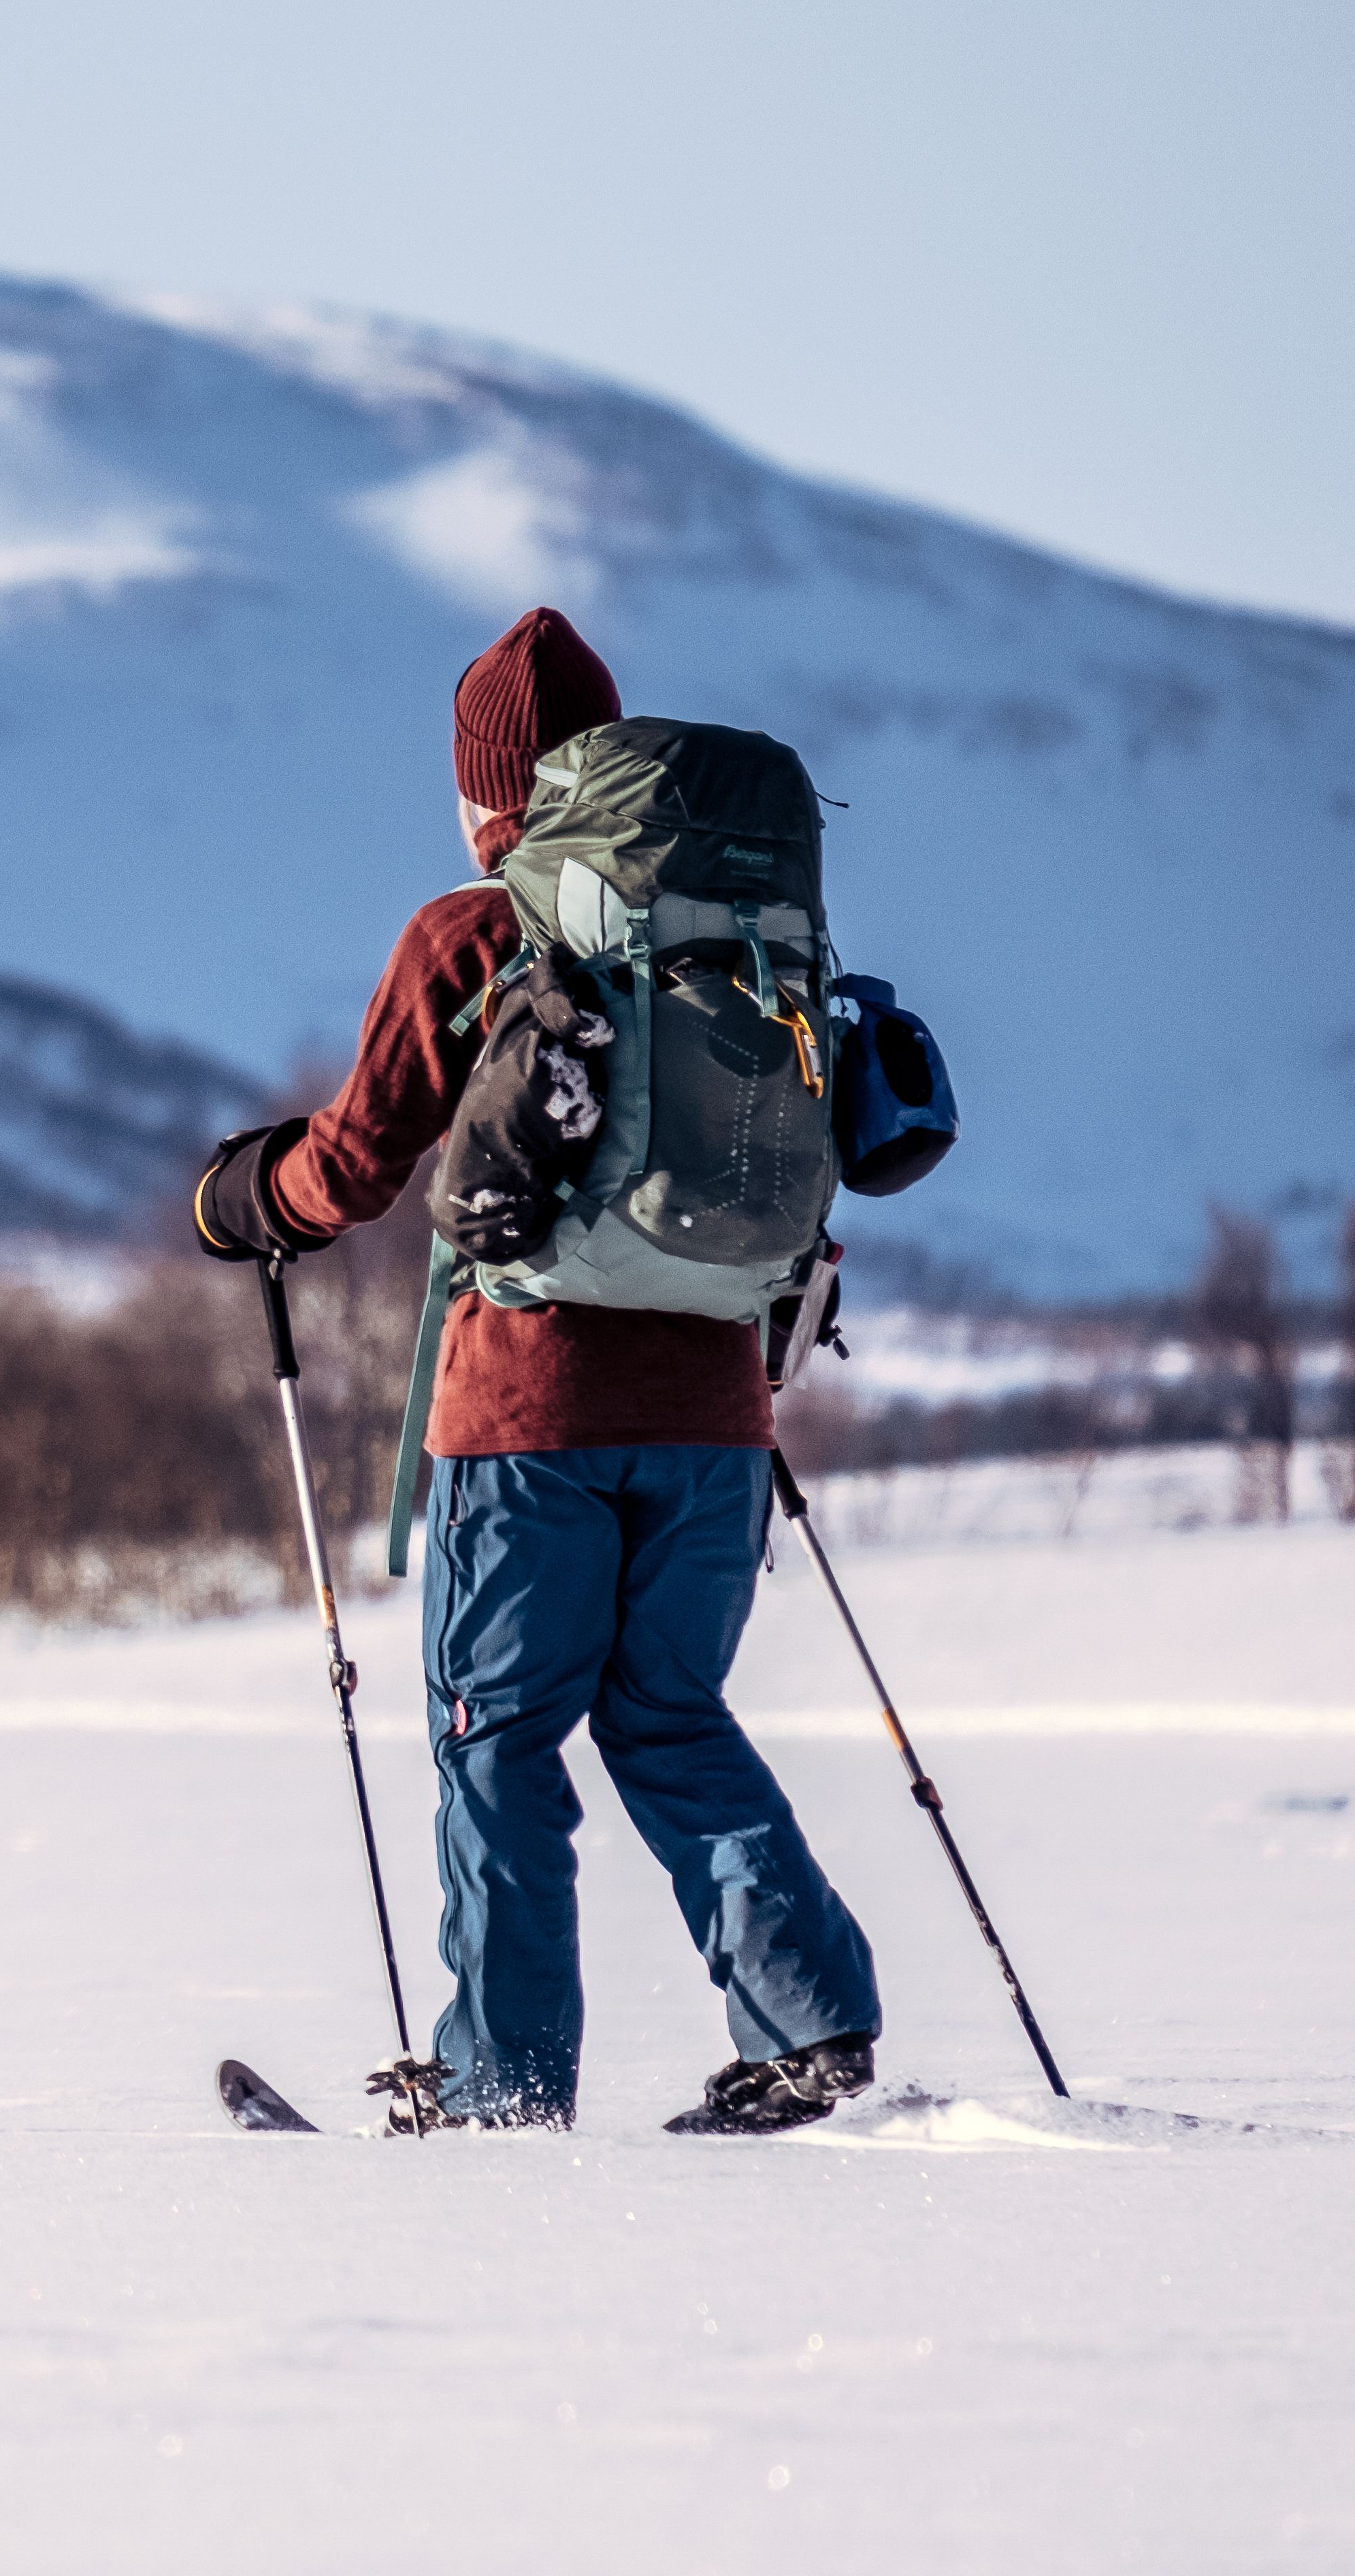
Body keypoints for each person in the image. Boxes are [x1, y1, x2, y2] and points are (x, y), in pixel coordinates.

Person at [186, 606, 882, 2136]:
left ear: (482, 790)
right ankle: (812, 2021)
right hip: (715, 1414)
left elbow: (355, 1167)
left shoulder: (479, 931)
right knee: (670, 1717)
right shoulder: (734, 932)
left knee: (495, 1743)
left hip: (527, 1423)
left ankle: (504, 2095)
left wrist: (245, 1200)